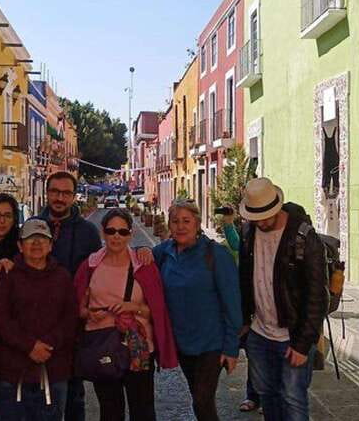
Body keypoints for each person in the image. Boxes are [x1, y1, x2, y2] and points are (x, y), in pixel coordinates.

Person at [38, 171, 154, 421]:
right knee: (46, 394)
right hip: (49, 324)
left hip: (129, 345)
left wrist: (143, 248)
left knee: (138, 408)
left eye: (66, 193)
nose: (60, 197)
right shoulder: (34, 227)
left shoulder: (87, 232)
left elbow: (155, 305)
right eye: (55, 192)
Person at [235, 178, 328, 421]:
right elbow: (244, 278)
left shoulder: (303, 237)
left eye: (265, 216)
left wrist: (303, 344)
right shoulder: (248, 232)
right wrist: (244, 323)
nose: (261, 222)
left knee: (293, 399)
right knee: (267, 396)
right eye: (255, 217)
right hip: (259, 334)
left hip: (292, 336)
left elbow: (317, 295)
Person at [73, 209, 179, 421]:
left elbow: (156, 311)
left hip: (138, 349)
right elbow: (77, 308)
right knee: (110, 412)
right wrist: (89, 315)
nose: (116, 236)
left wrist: (134, 307)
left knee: (143, 412)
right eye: (111, 231)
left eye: (122, 232)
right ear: (103, 232)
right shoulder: (90, 266)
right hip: (103, 347)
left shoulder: (144, 266)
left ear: (131, 234)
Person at [152, 199, 242, 421]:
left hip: (211, 343)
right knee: (198, 398)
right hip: (183, 344)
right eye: (175, 221)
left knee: (202, 400)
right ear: (169, 225)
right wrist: (142, 250)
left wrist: (231, 348)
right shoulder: (164, 253)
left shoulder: (216, 255)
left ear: (197, 223)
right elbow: (137, 258)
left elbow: (232, 304)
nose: (181, 226)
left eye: (186, 221)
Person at [0, 218, 79, 420]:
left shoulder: (62, 277)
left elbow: (70, 318)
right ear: (20, 245)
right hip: (13, 372)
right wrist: (29, 346)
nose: (37, 244)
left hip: (53, 369)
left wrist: (48, 345)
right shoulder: (7, 275)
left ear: (51, 245)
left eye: (42, 239)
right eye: (30, 239)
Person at [218, 205, 260, 414]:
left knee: (262, 357)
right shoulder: (246, 235)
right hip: (247, 308)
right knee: (255, 355)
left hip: (265, 309)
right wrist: (228, 222)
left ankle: (265, 397)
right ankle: (254, 396)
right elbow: (236, 244)